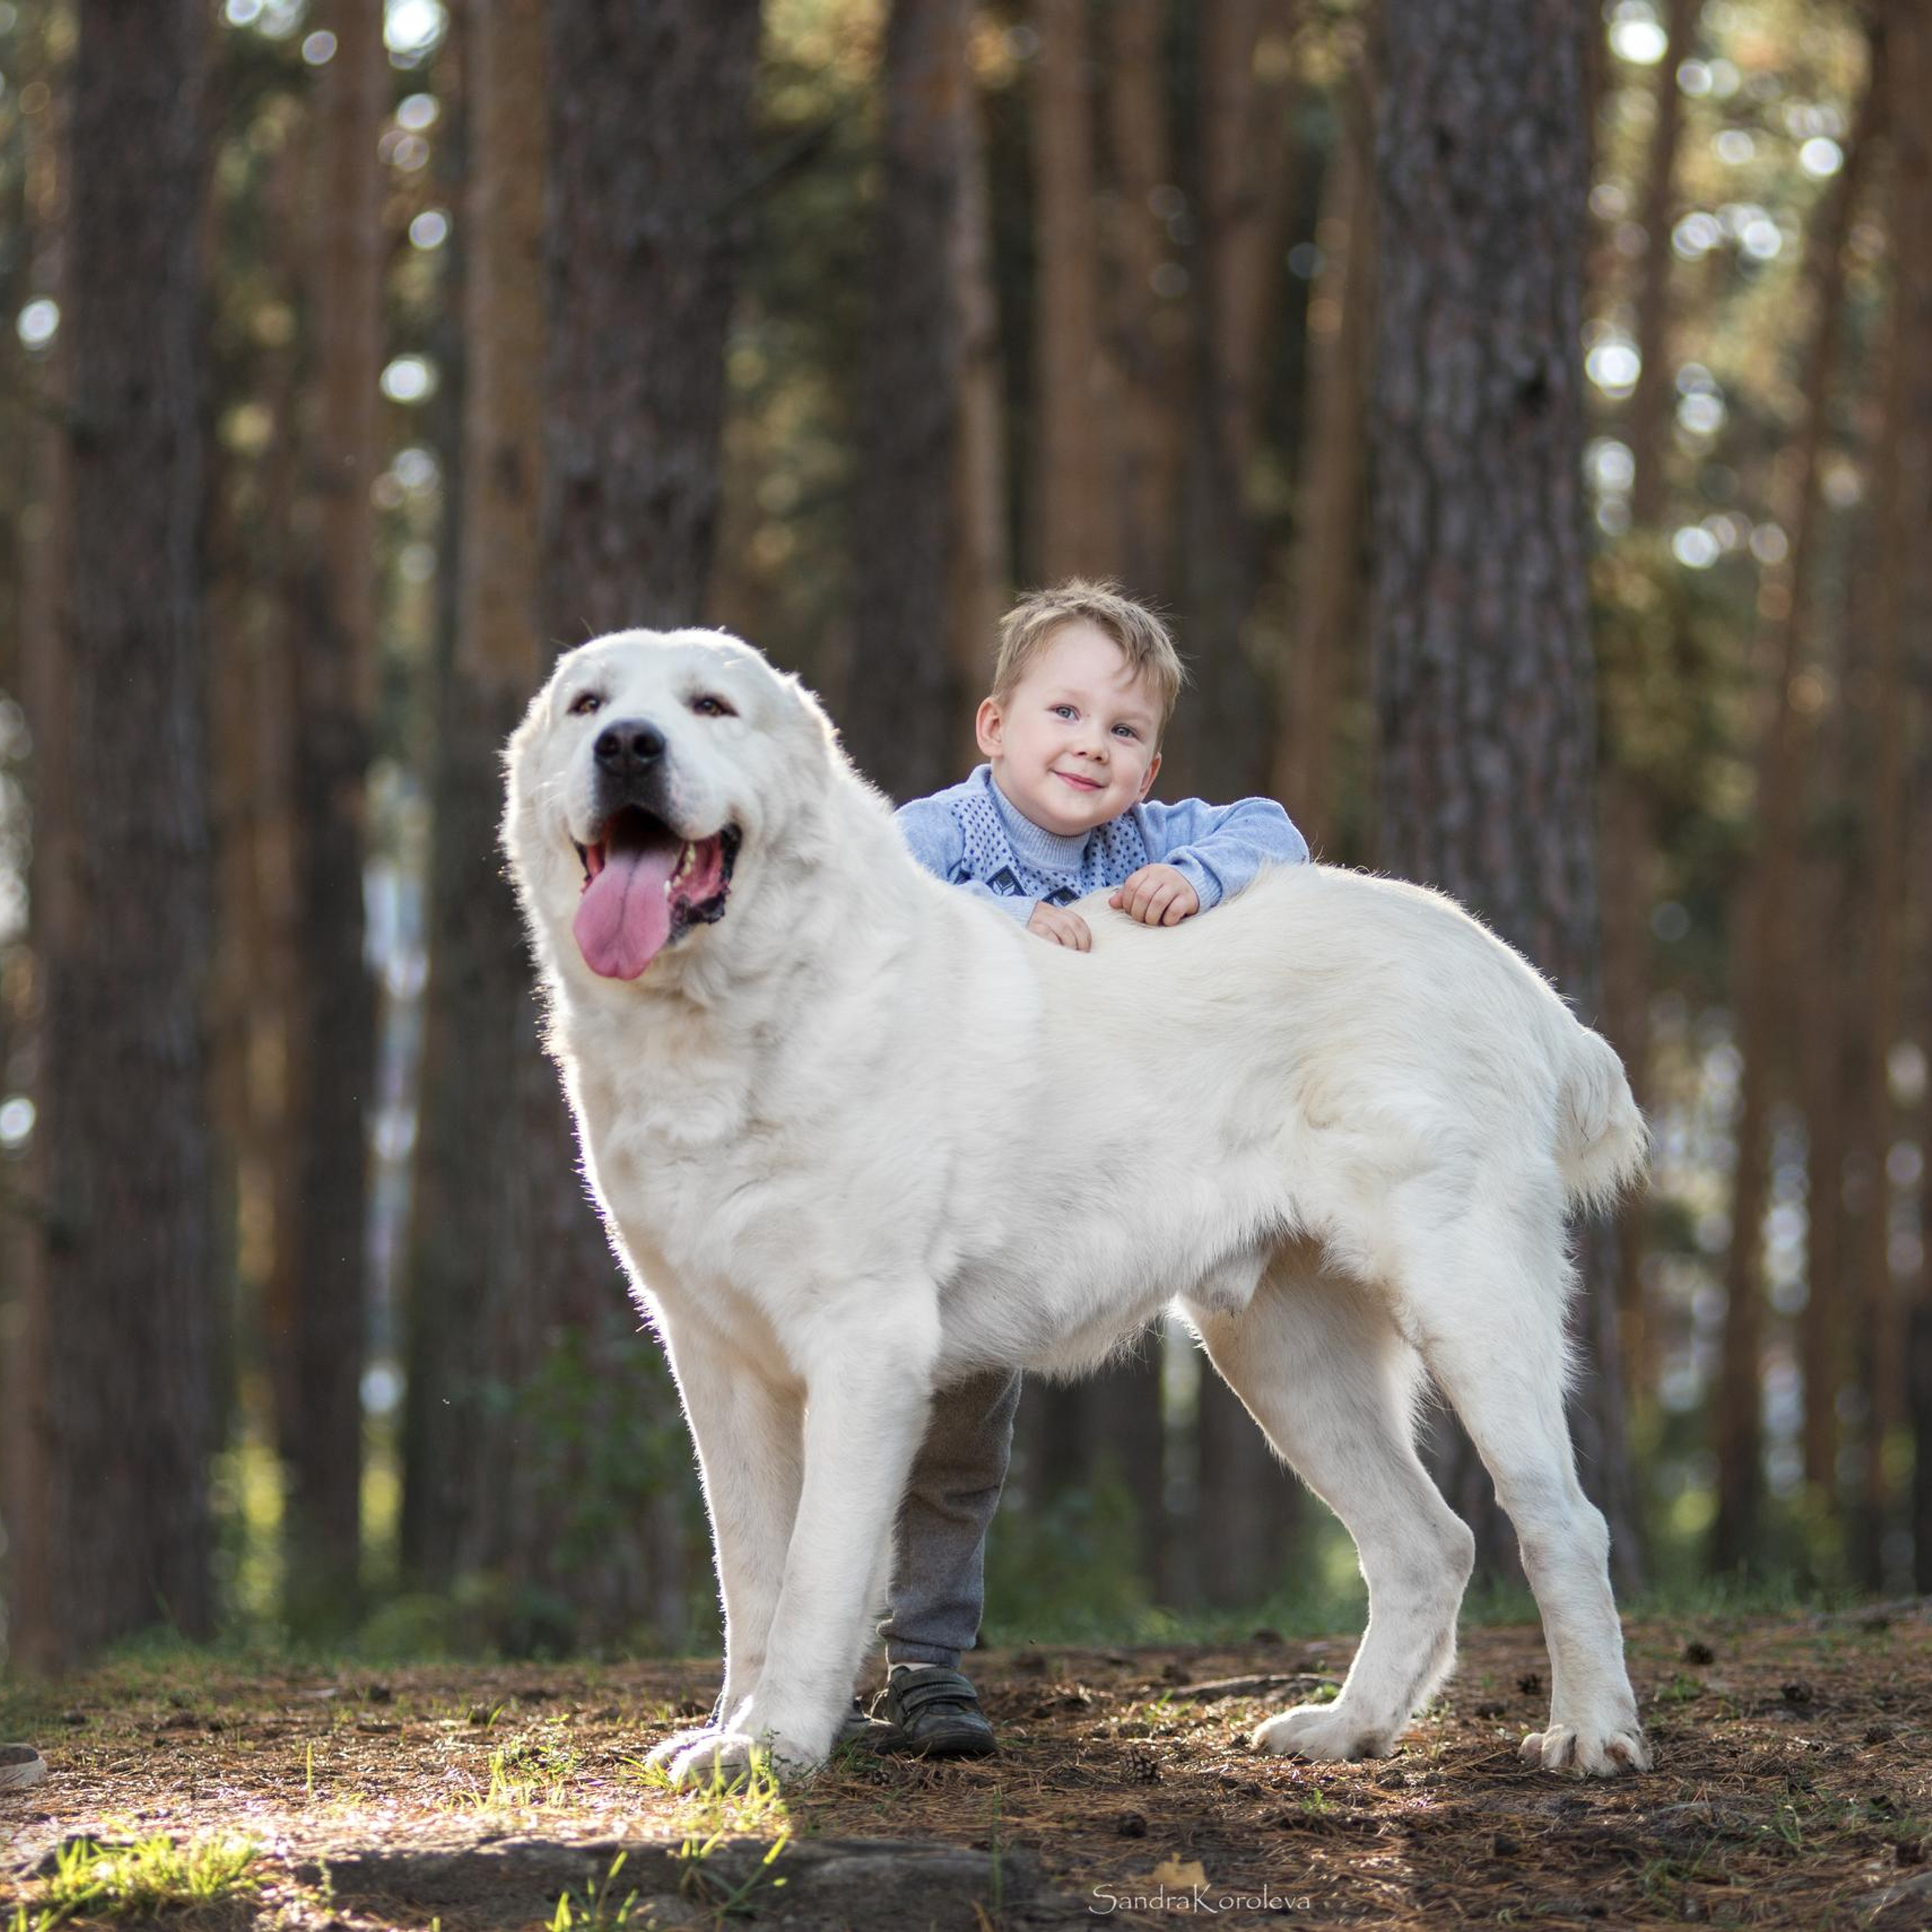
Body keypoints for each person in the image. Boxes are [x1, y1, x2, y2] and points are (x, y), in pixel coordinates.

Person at [861, 580, 1310, 1757]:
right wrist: (990, 923)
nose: (1091, 747)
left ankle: (926, 1666)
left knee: (961, 1448)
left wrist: (1200, 879)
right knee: (847, 1421)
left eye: (1125, 732)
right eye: (1064, 714)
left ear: (1151, 769)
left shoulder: (1141, 845)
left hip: (1048, 1210)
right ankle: (810, 1654)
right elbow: (861, 912)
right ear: (994, 726)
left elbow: (1275, 829)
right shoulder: (925, 842)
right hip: (911, 1201)